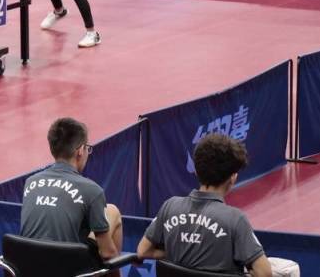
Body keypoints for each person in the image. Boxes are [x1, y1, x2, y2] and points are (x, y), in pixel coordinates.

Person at [136, 134, 282, 277]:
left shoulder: (169, 207)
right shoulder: (235, 220)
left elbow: (142, 251)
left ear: (196, 170)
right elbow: (264, 273)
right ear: (233, 178)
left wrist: (176, 253)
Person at [20, 117, 123, 267]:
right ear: (80, 151)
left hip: (28, 268)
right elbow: (107, 254)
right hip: (69, 269)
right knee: (113, 212)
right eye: (87, 148)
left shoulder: (30, 182)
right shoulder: (92, 190)